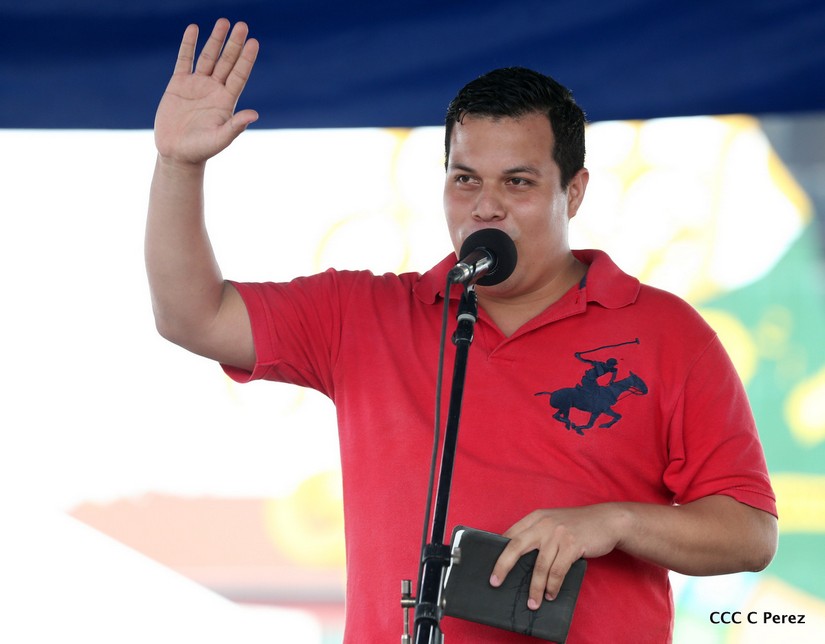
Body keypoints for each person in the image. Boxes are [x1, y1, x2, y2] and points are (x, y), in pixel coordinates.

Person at [146, 18, 778, 643]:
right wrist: (177, 164)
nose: (485, 205)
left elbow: (750, 533)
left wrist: (615, 522)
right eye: (465, 179)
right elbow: (193, 315)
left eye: (518, 182)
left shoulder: (668, 332)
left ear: (575, 192)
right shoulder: (365, 313)